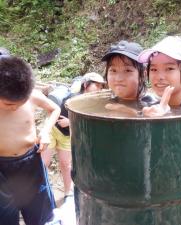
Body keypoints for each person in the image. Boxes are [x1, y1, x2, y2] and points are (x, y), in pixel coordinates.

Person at [0, 56, 61, 225]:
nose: (15, 107)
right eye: (8, 104)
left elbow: (54, 108)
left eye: (21, 103)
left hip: (30, 162)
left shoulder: (32, 95)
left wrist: (46, 131)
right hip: (2, 169)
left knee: (42, 214)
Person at [42, 72, 106, 201]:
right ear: (86, 85)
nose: (99, 89)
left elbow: (89, 125)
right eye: (96, 85)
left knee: (66, 164)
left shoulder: (95, 103)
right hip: (52, 129)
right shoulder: (73, 98)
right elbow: (56, 111)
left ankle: (67, 193)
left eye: (101, 86)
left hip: (66, 135)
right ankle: (41, 194)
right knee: (44, 163)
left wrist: (69, 123)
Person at [101, 40, 157, 115]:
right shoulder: (109, 99)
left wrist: (128, 111)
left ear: (143, 75)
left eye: (127, 70)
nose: (118, 79)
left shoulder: (151, 102)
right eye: (113, 70)